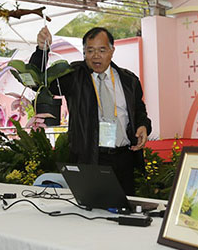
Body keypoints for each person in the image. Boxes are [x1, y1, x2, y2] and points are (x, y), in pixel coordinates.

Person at [29, 26, 151, 195]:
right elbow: (38, 83)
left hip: (124, 158)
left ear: (112, 50)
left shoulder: (129, 80)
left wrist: (143, 126)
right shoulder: (73, 76)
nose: (96, 56)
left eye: (102, 50)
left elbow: (139, 111)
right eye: (90, 50)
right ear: (84, 52)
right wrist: (42, 50)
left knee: (123, 212)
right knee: (91, 213)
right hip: (90, 159)